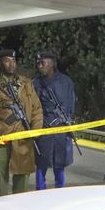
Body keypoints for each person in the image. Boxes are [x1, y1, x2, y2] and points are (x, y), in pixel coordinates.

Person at [0, 48, 42, 196]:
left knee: (22, 179)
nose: (11, 64)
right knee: (0, 180)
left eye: (13, 61)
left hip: (23, 138)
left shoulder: (26, 83)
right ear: (0, 63)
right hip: (0, 139)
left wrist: (35, 131)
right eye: (7, 61)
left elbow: (37, 109)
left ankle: (19, 208)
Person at [33, 51, 75, 189]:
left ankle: (60, 194)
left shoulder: (66, 82)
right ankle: (40, 194)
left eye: (42, 63)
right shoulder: (36, 83)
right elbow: (33, 108)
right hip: (44, 131)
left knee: (59, 166)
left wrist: (68, 123)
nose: (40, 66)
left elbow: (71, 105)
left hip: (61, 131)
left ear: (51, 64)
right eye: (38, 63)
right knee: (41, 166)